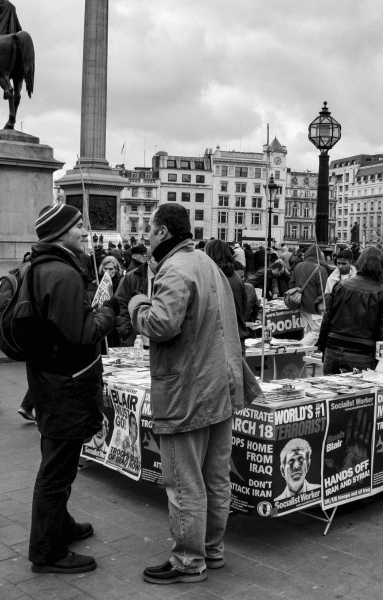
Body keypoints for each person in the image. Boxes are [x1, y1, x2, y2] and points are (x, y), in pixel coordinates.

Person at [128, 203, 245, 584]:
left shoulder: (175, 269)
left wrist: (136, 305)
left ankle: (187, 561)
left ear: (163, 231)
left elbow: (161, 324)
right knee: (215, 477)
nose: (146, 235)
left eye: (150, 228)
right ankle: (212, 549)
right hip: (219, 388)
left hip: (188, 393)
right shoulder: (207, 263)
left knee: (185, 481)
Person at [24, 204, 118, 573]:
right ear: (62, 232)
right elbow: (82, 335)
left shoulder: (39, 266)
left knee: (57, 463)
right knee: (57, 471)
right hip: (67, 384)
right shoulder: (62, 274)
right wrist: (107, 310)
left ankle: (59, 525)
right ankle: (47, 551)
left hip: (49, 379)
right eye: (79, 226)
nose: (84, 231)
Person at [317, 247, 383, 374]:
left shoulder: (340, 285)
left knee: (330, 391)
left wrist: (322, 346)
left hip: (334, 348)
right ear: (382, 267)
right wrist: (382, 360)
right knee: (361, 393)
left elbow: (327, 318)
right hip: (361, 352)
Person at [205, 240, 250, 351]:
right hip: (238, 335)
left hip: (221, 340)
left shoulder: (213, 276)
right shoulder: (236, 276)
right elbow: (245, 306)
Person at [290, 245, 328, 347]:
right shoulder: (321, 270)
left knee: (307, 332)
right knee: (317, 332)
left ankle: (305, 356)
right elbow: (323, 292)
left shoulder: (298, 266)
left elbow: (291, 285)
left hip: (301, 305)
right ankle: (298, 349)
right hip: (315, 308)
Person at [115, 248, 149, 347]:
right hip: (136, 340)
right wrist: (128, 334)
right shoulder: (131, 276)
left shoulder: (170, 276)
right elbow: (120, 306)